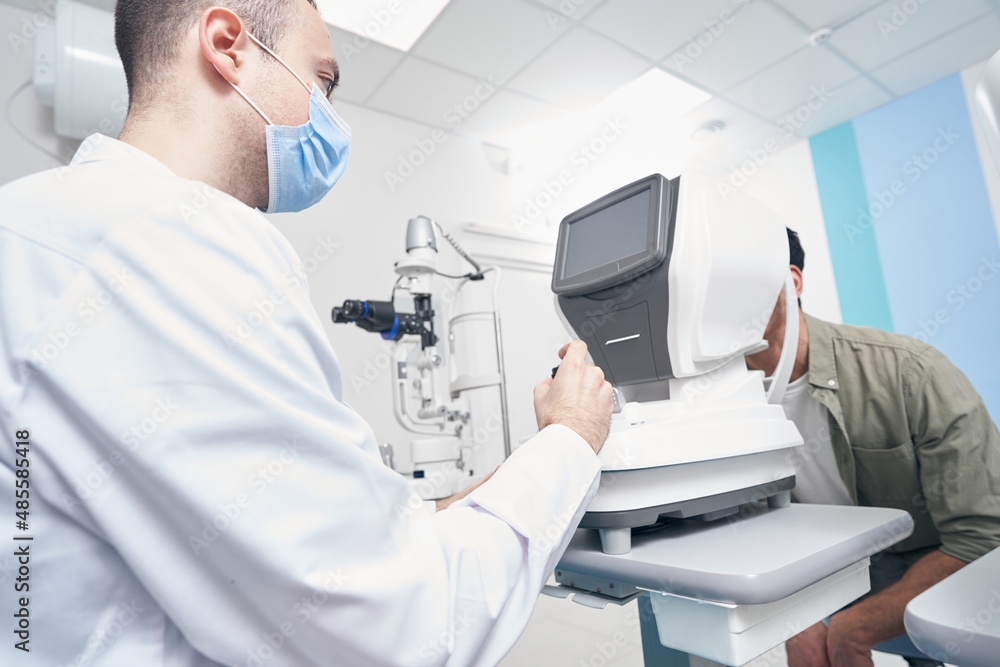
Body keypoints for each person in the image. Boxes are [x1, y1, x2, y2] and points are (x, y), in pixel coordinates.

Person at [0, 1, 614, 665]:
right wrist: (571, 437)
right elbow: (399, 630)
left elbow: (343, 538)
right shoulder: (176, 239)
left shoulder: (31, 224)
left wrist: (505, 478)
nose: (330, 120)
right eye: (323, 83)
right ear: (227, 43)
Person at [745, 228, 1000, 667]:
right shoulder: (720, 405)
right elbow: (744, 524)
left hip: (934, 557)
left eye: (741, 278)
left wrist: (855, 627)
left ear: (793, 281)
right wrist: (795, 621)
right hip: (832, 565)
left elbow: (982, 536)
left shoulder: (910, 372)